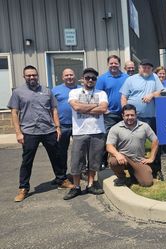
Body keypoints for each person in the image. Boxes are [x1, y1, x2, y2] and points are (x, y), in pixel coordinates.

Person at [8, 65, 74, 202]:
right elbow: (14, 112)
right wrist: (18, 133)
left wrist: (57, 127)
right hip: (29, 131)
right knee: (27, 161)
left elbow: (54, 110)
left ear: (37, 75)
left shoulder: (47, 91)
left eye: (34, 75)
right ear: (24, 76)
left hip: (48, 130)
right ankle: (23, 188)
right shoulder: (18, 92)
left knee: (56, 157)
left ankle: (61, 179)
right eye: (29, 75)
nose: (32, 77)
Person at [64, 68, 108, 200]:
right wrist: (95, 106)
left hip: (97, 131)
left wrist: (85, 106)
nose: (90, 80)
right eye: (88, 77)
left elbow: (104, 108)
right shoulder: (74, 92)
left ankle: (90, 184)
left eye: (93, 78)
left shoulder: (102, 93)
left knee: (94, 161)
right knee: (77, 161)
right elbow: (76, 107)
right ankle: (76, 187)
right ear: (83, 79)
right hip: (80, 132)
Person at [120, 59, 164, 180]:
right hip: (134, 118)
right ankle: (134, 168)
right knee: (135, 143)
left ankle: (154, 168)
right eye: (144, 67)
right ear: (139, 68)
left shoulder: (154, 77)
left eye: (149, 67)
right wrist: (125, 113)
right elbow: (124, 97)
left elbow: (160, 92)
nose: (146, 69)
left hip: (151, 116)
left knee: (155, 142)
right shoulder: (130, 80)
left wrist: (151, 95)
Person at [106, 104, 158, 187]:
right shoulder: (116, 128)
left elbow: (155, 140)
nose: (130, 117)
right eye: (127, 115)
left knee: (147, 183)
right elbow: (109, 146)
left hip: (138, 160)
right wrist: (118, 155)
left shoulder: (144, 126)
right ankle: (121, 177)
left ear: (136, 115)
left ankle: (134, 173)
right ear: (122, 116)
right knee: (113, 161)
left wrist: (151, 158)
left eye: (132, 115)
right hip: (123, 158)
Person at [95, 55, 129, 170]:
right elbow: (97, 95)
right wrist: (104, 109)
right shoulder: (103, 78)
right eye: (111, 63)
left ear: (119, 64)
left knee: (124, 138)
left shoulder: (126, 77)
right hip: (109, 114)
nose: (113, 65)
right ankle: (103, 162)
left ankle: (124, 161)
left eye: (116, 63)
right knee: (106, 138)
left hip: (125, 114)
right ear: (108, 64)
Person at [52, 68, 83, 183]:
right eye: (67, 75)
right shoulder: (55, 90)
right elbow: (52, 108)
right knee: (61, 152)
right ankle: (62, 175)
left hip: (79, 125)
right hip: (62, 125)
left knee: (80, 151)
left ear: (75, 76)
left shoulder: (81, 89)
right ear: (62, 77)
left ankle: (80, 172)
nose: (69, 77)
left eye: (71, 75)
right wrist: (56, 126)